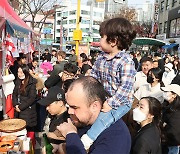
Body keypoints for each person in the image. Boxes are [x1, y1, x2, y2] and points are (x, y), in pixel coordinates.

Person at [80, 17, 136, 149]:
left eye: (102, 37)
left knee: (105, 117)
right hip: (105, 96)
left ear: (113, 41)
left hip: (121, 101)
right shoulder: (101, 58)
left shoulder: (126, 61)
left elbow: (125, 89)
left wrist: (111, 103)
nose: (99, 40)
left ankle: (88, 139)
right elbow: (94, 77)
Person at [57, 76, 131, 154]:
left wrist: (71, 135)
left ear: (94, 106)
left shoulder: (116, 136)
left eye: (74, 107)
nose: (69, 111)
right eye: (69, 106)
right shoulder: (84, 122)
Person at [38, 86, 68, 153]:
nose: (47, 108)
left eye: (49, 105)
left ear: (60, 103)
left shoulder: (68, 120)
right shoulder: (54, 115)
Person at [12, 64, 37, 131]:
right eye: (18, 72)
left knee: (28, 129)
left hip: (27, 110)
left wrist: (20, 107)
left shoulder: (31, 83)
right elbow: (14, 94)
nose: (19, 74)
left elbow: (32, 98)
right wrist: (15, 104)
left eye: (21, 72)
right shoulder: (18, 81)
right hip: (18, 109)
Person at [161, 84, 180, 154]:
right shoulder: (166, 106)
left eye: (166, 91)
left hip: (172, 145)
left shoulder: (177, 112)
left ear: (174, 95)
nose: (164, 93)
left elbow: (173, 130)